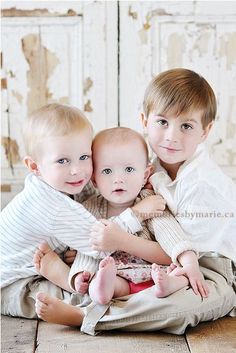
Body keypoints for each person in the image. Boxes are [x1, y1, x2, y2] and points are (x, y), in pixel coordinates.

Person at [36, 69, 235, 335]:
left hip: (208, 265)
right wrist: (89, 244)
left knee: (187, 305)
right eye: (162, 122)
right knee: (112, 279)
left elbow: (176, 250)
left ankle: (85, 315)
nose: (171, 136)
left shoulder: (202, 186)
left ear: (205, 131)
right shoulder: (148, 166)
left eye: (186, 126)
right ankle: (85, 291)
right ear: (144, 120)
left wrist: (118, 240)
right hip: (157, 264)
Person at [0, 103, 163, 318]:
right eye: (62, 161)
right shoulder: (51, 205)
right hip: (15, 286)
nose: (77, 170)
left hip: (33, 266)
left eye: (84, 157)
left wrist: (139, 182)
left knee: (98, 279)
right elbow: (102, 242)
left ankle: (64, 275)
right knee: (98, 291)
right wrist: (138, 212)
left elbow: (92, 204)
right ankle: (67, 292)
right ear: (34, 166)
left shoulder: (63, 181)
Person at [34, 127, 208, 312]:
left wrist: (190, 262)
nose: (118, 179)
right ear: (94, 179)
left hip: (153, 271)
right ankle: (102, 289)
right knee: (98, 282)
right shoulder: (90, 209)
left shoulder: (150, 203)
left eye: (129, 169)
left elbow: (171, 234)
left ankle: (168, 285)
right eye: (107, 171)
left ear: (145, 175)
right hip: (118, 276)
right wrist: (79, 274)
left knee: (179, 274)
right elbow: (88, 249)